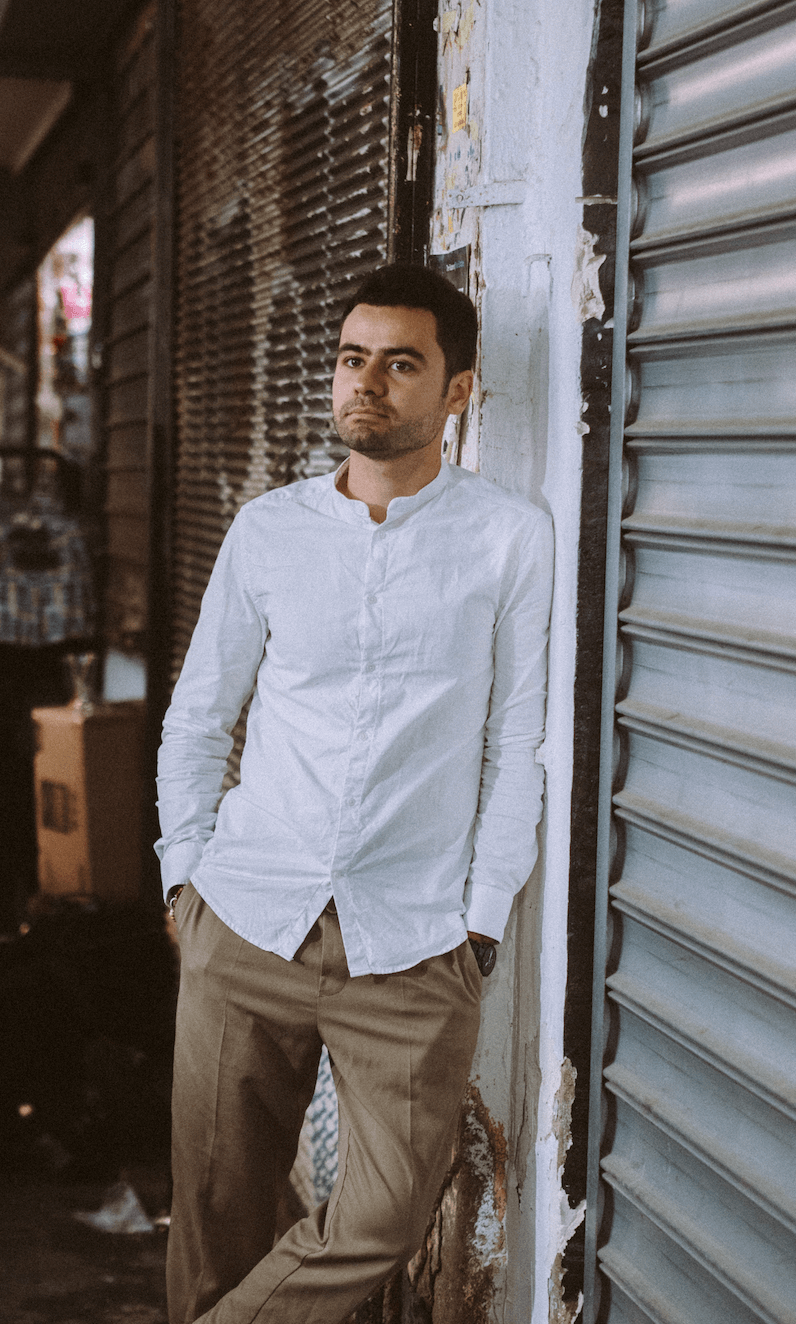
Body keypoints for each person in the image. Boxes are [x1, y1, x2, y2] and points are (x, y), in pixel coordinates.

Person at [156, 264, 554, 1323]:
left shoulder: (508, 537)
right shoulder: (268, 530)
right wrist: (182, 877)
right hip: (247, 920)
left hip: (412, 942)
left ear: (457, 391)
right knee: (215, 1220)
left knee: (384, 1216)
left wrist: (479, 919)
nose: (364, 383)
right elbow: (199, 715)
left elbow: (515, 740)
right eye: (350, 358)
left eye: (399, 363)